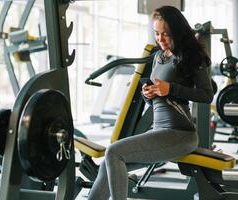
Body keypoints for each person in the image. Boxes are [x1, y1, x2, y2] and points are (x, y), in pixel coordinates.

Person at [88, 5, 213, 200]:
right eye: (157, 33)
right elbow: (155, 99)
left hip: (180, 134)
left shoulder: (191, 56)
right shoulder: (158, 57)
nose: (160, 39)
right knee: (107, 162)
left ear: (177, 32)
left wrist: (170, 88)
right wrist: (149, 94)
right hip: (157, 130)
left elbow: (207, 95)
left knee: (113, 152)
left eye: (166, 34)